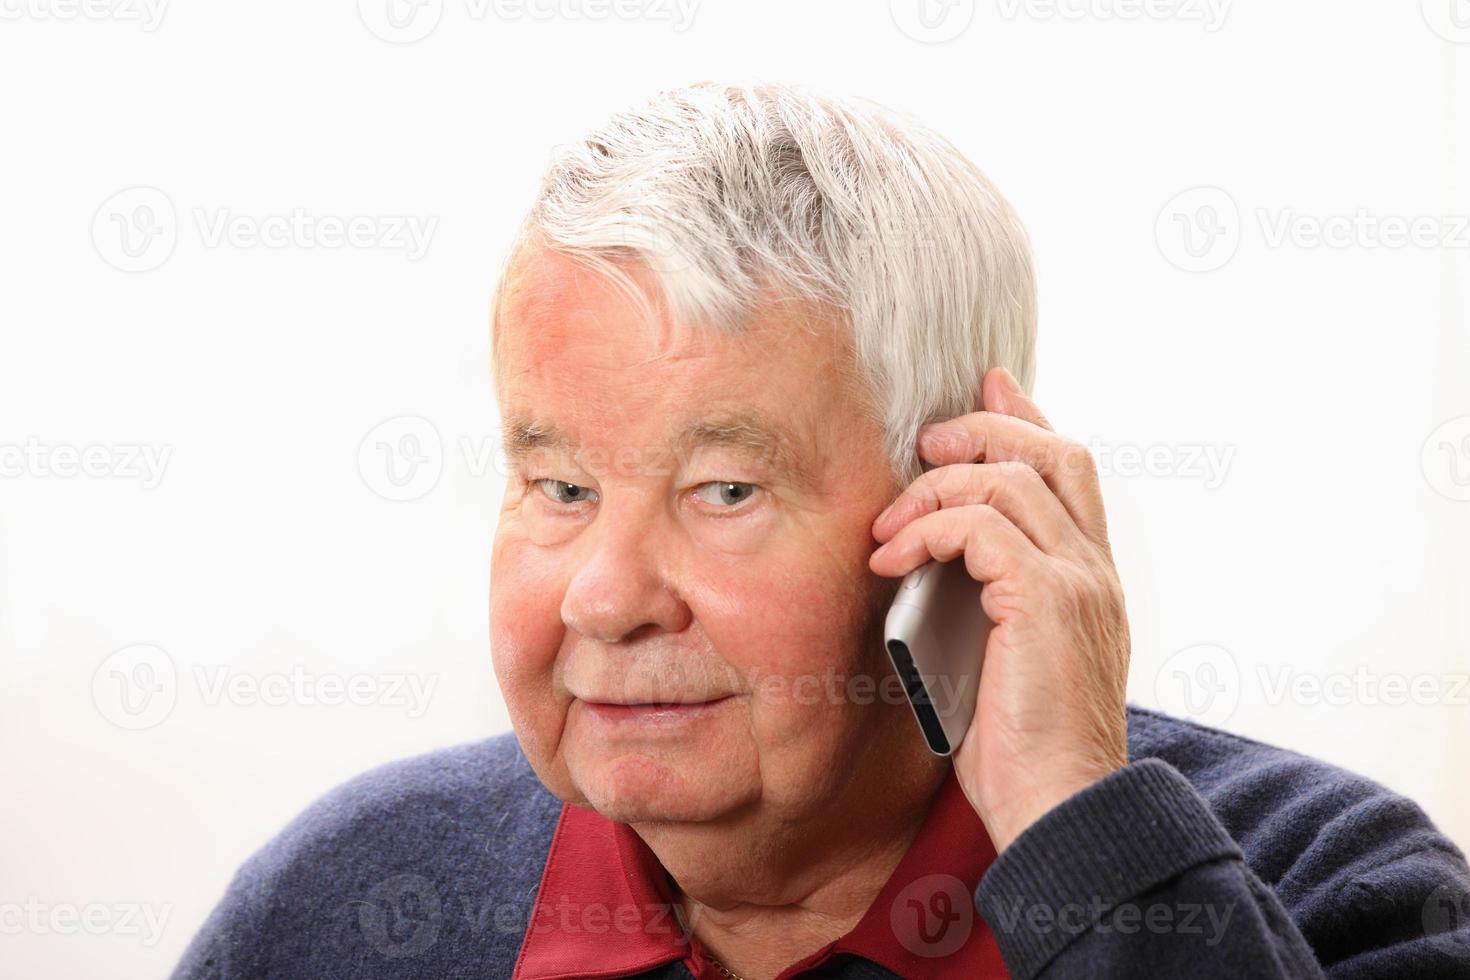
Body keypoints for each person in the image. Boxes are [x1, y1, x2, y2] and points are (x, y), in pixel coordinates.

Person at [171, 82, 1470, 979]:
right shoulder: (343, 897)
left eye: (723, 491)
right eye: (560, 489)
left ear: (964, 506)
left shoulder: (1331, 887)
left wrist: (1082, 824)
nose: (603, 598)